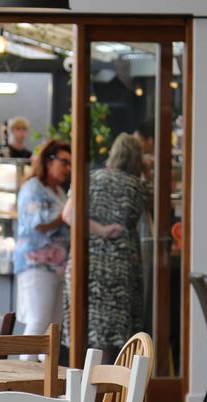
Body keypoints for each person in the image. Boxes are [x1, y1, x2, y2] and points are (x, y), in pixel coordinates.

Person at [60, 134, 151, 360]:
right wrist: (147, 172)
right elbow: (156, 216)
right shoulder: (137, 186)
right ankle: (109, 378)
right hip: (121, 266)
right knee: (115, 331)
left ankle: (80, 375)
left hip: (86, 261)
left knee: (83, 325)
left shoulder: (90, 178)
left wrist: (99, 229)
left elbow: (68, 215)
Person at [14, 139, 72, 346]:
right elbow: (38, 222)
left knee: (53, 328)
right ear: (48, 161)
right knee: (38, 321)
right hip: (36, 265)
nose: (68, 168)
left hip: (58, 267)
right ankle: (23, 366)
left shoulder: (59, 192)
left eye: (70, 164)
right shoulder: (32, 188)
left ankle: (44, 367)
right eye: (64, 162)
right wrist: (66, 213)